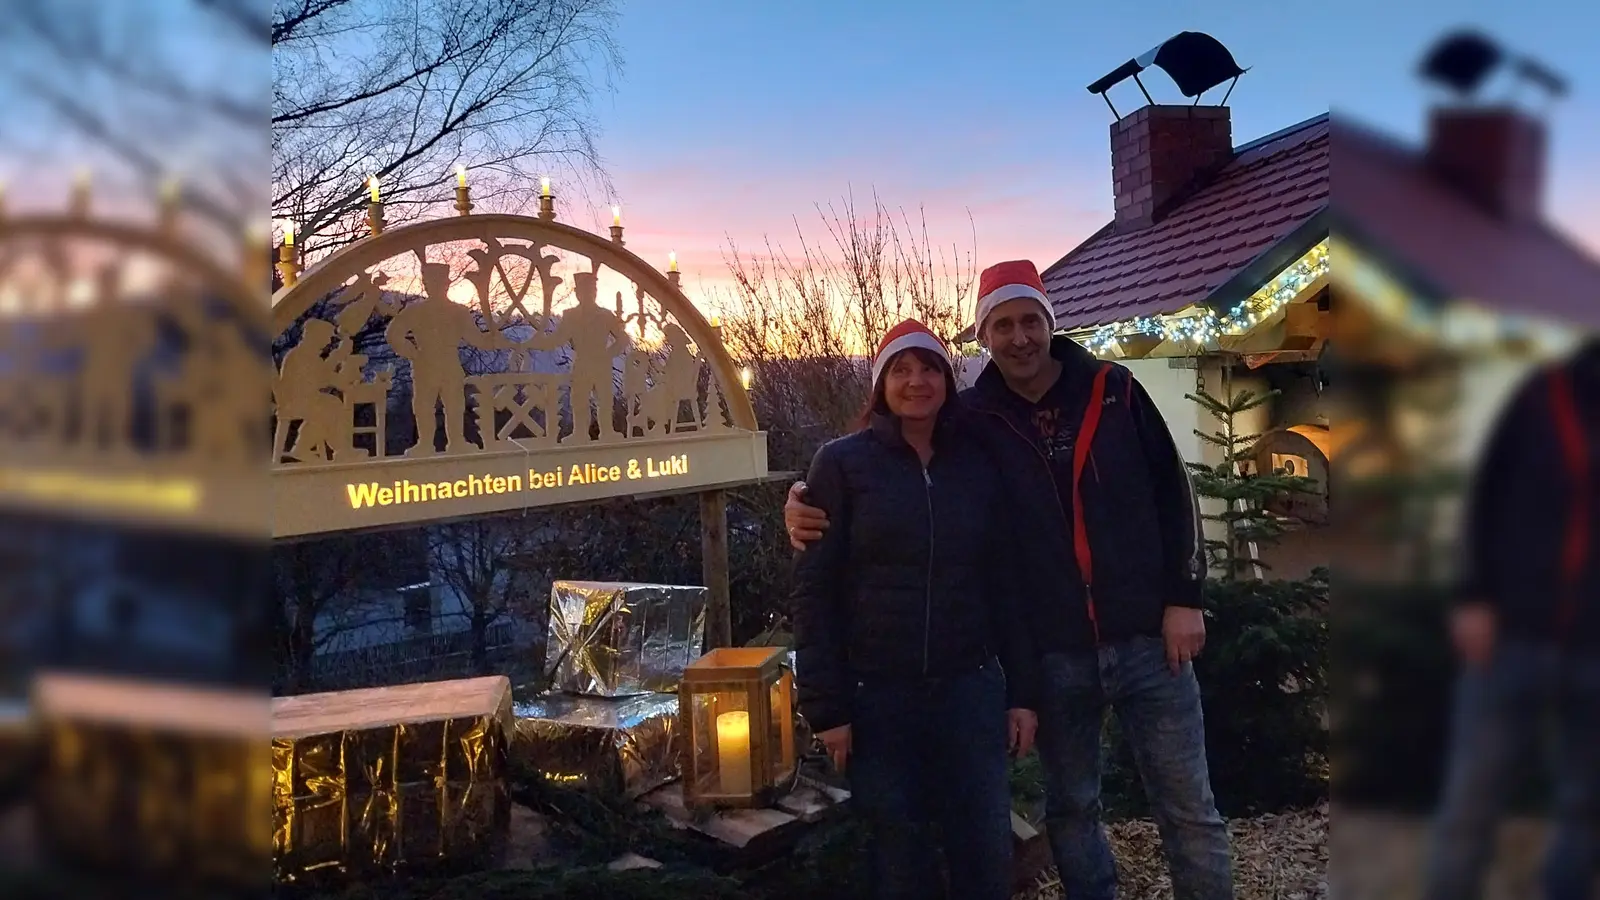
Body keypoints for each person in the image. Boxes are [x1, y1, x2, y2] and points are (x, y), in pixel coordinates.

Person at [787, 261, 1234, 900]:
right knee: (1072, 809)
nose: (1019, 337)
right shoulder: (974, 419)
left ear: (1049, 325)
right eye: (1003, 325)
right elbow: (887, 482)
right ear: (984, 337)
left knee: (1189, 808)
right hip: (1055, 650)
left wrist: (1184, 598)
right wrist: (800, 504)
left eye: (1030, 321)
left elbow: (1174, 491)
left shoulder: (1115, 391)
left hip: (1146, 638)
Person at [792, 319, 1041, 900]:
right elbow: (814, 590)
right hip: (880, 694)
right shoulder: (842, 465)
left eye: (929, 368)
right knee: (898, 856)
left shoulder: (977, 462)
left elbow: (1006, 583)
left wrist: (1023, 693)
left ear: (947, 381)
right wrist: (827, 707)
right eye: (900, 369)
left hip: (970, 689)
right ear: (881, 384)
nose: (916, 381)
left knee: (982, 846)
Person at [1423, 338, 1600, 900]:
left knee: (1588, 803)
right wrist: (1473, 598)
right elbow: (1486, 498)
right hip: (1510, 635)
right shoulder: (1544, 397)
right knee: (1472, 800)